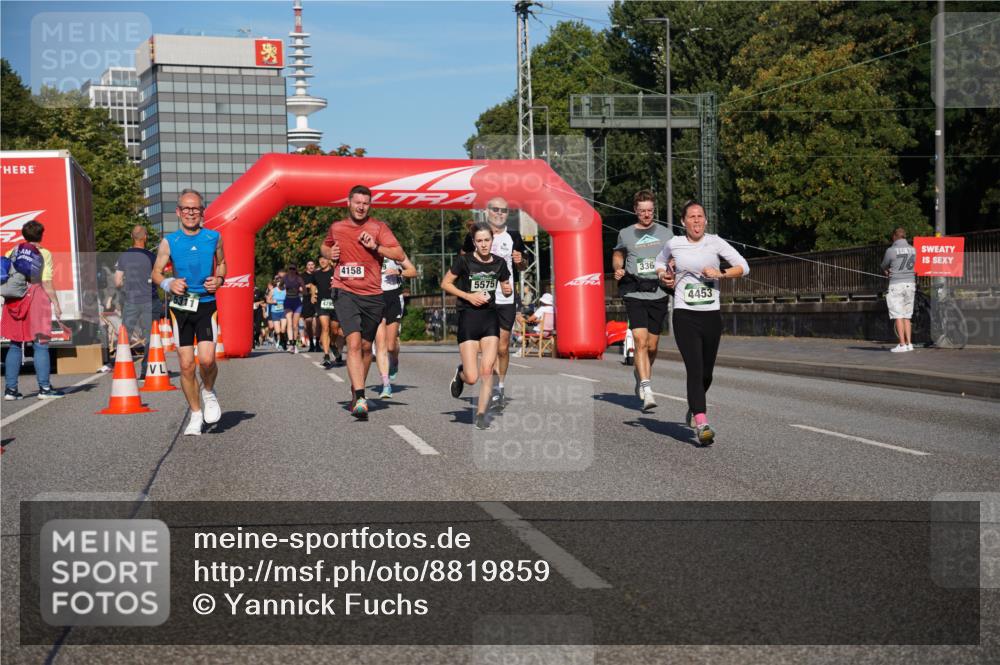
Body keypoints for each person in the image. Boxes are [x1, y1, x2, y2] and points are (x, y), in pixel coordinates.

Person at [654, 200, 748, 446]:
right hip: (685, 315)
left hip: (711, 316)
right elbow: (659, 263)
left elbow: (744, 266)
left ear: (706, 221)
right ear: (683, 222)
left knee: (707, 373)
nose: (696, 221)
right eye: (691, 217)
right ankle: (702, 421)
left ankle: (695, 405)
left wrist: (721, 274)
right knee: (694, 370)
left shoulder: (715, 242)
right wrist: (663, 275)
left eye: (700, 216)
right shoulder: (675, 243)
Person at [321, 185, 404, 420]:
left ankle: (356, 390)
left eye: (365, 203)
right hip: (344, 290)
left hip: (372, 295)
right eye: (357, 202)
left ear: (370, 205)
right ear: (348, 202)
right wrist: (329, 254)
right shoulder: (337, 227)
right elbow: (325, 245)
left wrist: (376, 247)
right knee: (354, 343)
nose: (361, 207)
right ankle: (360, 396)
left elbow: (399, 254)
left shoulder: (378, 228)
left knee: (367, 348)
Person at [151, 189, 226, 436]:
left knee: (206, 360)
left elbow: (223, 263)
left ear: (202, 212)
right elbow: (156, 272)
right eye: (186, 208)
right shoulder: (169, 241)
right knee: (185, 365)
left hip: (206, 304)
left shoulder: (214, 237)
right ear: (178, 212)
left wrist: (220, 279)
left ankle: (208, 391)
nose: (191, 213)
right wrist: (168, 284)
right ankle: (195, 414)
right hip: (180, 307)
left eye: (195, 209)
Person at [444, 222, 513, 430]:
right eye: (480, 241)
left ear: (492, 241)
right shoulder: (464, 261)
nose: (484, 244)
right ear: (474, 242)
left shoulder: (500, 263)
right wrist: (468, 296)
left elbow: (506, 287)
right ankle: (461, 374)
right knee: (473, 377)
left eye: (487, 240)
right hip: (468, 319)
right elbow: (445, 283)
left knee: (487, 369)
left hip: (490, 319)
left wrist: (508, 290)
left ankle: (482, 414)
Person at [460, 197, 526, 410]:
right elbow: (461, 262)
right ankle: (467, 373)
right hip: (481, 297)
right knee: (483, 346)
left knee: (503, 346)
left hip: (505, 297)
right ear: (487, 211)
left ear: (508, 213)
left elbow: (522, 265)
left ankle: (499, 388)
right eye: (495, 209)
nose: (499, 213)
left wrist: (520, 261)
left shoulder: (514, 236)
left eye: (504, 210)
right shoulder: (476, 234)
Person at [613, 190, 673, 412]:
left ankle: (640, 373)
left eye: (650, 211)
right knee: (639, 341)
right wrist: (618, 268)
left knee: (652, 346)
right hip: (634, 291)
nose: (647, 215)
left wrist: (673, 271)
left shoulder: (666, 234)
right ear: (635, 211)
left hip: (658, 292)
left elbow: (674, 257)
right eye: (642, 211)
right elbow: (618, 254)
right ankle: (647, 389)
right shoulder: (625, 233)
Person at [3, 220, 65, 399]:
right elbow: (45, 281)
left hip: (14, 300)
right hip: (35, 298)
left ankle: (11, 390)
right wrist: (56, 304)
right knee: (40, 344)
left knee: (14, 345)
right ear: (41, 235)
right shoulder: (43, 253)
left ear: (24, 234)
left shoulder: (12, 251)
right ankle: (45, 389)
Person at [114, 225, 163, 380]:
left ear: (131, 236)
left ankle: (122, 369)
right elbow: (158, 277)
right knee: (151, 336)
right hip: (150, 300)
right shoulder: (151, 256)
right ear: (146, 237)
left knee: (125, 335)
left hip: (131, 301)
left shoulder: (124, 256)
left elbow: (117, 281)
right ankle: (146, 371)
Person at [374, 253, 417, 398]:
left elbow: (413, 271)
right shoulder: (368, 253)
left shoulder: (395, 252)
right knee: (381, 345)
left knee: (391, 346)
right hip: (375, 297)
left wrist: (399, 271)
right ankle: (386, 385)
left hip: (394, 297)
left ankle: (395, 360)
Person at [881, 227, 917, 353]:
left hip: (896, 284)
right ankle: (909, 344)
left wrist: (887, 271)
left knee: (898, 315)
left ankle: (901, 345)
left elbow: (884, 265)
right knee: (907, 316)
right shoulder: (913, 250)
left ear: (895, 237)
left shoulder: (891, 250)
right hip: (910, 284)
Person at [314, 254, 343, 368]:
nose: (322, 261)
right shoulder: (316, 274)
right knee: (325, 327)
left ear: (329, 260)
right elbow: (312, 284)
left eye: (325, 259)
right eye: (320, 259)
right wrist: (312, 294)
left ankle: (332, 344)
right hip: (322, 303)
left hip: (335, 303)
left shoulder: (336, 272)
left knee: (335, 331)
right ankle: (326, 356)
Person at [283, 264, 305, 353]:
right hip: (288, 300)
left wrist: (301, 290)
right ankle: (291, 343)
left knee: (295, 325)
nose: (292, 270)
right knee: (289, 322)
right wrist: (282, 287)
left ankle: (294, 344)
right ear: (288, 270)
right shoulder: (285, 278)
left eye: (293, 268)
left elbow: (305, 290)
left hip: (297, 301)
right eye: (290, 268)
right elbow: (280, 286)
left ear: (296, 270)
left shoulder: (299, 279)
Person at [301, 259, 319, 352]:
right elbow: (299, 288)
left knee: (317, 323)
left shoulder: (318, 274)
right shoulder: (302, 276)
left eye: (312, 264)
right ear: (306, 266)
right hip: (307, 300)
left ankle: (317, 343)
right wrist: (307, 286)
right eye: (309, 264)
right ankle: (311, 343)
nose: (311, 266)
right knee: (308, 322)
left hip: (317, 299)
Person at [266, 272, 287, 349]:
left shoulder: (285, 290)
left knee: (283, 329)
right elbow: (268, 300)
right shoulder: (273, 291)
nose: (279, 283)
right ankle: (281, 340)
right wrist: (272, 301)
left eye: (280, 281)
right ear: (276, 282)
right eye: (277, 281)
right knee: (278, 331)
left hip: (284, 311)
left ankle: (283, 342)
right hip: (275, 312)